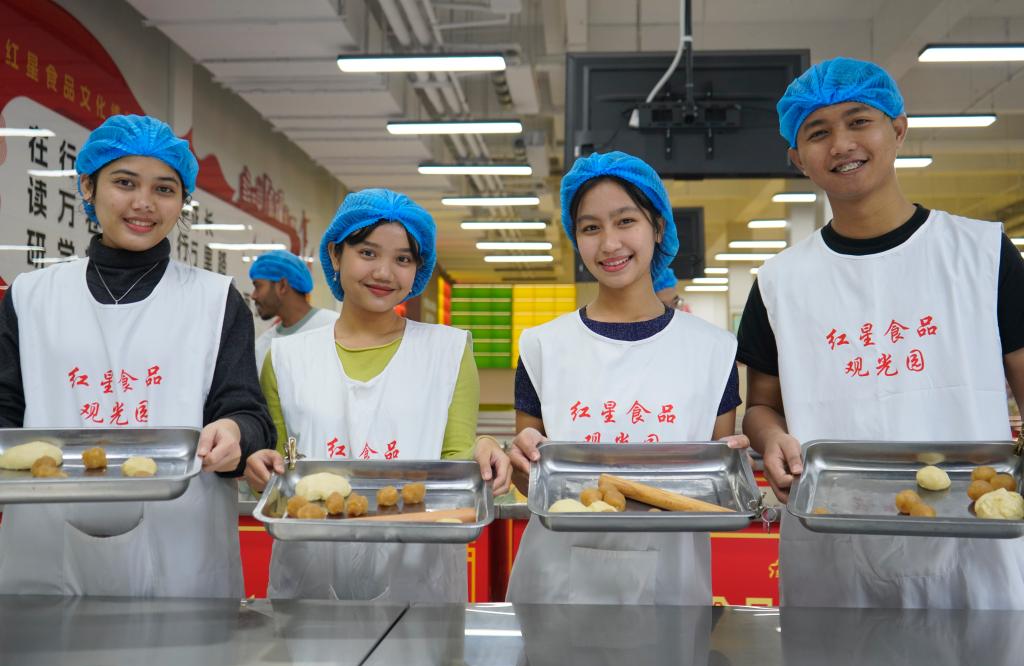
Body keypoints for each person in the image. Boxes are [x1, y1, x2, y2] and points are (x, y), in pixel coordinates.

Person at [739, 57, 1024, 608]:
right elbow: (762, 407)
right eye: (817, 133)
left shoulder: (982, 255)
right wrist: (771, 439)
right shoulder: (779, 282)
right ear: (798, 158)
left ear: (898, 129)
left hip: (974, 544)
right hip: (831, 546)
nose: (841, 144)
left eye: (859, 121)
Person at [0, 114, 274, 597]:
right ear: (88, 187)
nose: (144, 203)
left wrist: (235, 434)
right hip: (45, 543)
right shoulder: (31, 296)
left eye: (164, 189)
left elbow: (248, 414)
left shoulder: (214, 300)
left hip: (182, 548)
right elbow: (5, 409)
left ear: (181, 201)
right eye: (125, 183)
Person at [244, 188, 511, 601]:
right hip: (311, 572)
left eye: (403, 259)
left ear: (417, 269)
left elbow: (456, 464)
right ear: (335, 255)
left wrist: (484, 447)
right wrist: (257, 468)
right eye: (368, 253)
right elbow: (276, 473)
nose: (384, 272)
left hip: (419, 573)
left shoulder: (448, 351)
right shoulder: (285, 358)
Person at [505, 151, 746, 605]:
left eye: (625, 221)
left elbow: (709, 493)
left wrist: (729, 471)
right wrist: (519, 462)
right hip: (556, 582)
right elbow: (533, 484)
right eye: (590, 228)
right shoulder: (542, 346)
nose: (609, 243)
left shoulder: (713, 351)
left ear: (658, 227)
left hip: (671, 581)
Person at [249, 250, 337, 373]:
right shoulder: (263, 346)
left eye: (258, 286)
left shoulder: (334, 328)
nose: (253, 296)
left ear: (282, 286)